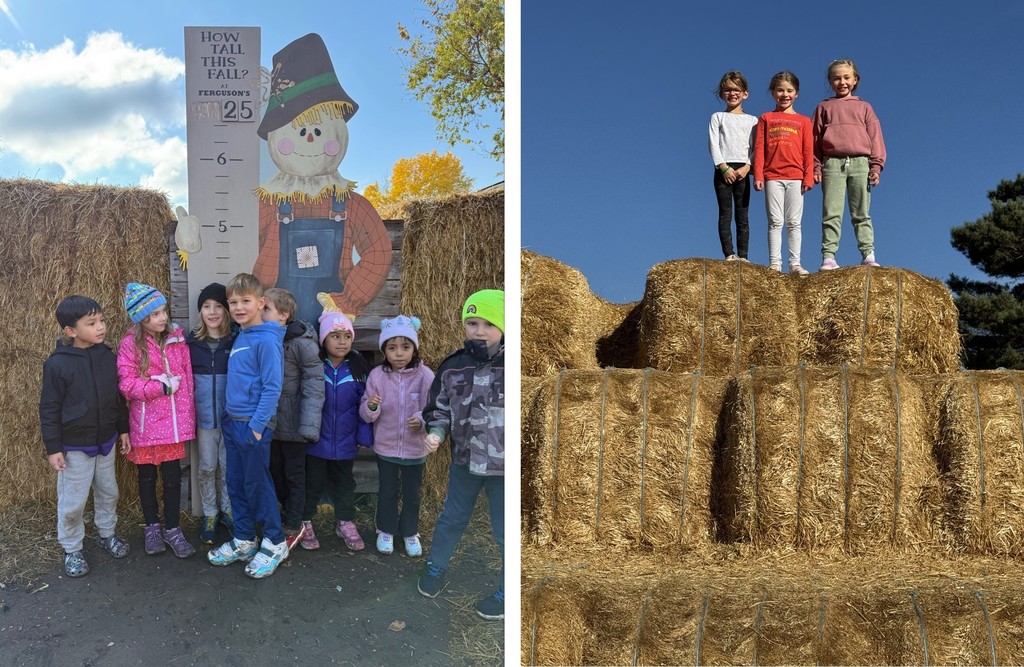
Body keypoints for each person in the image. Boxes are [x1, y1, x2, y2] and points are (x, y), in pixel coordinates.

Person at [417, 289, 505, 621]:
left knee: (503, 531)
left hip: (504, 469)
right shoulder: (453, 367)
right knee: (451, 518)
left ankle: (506, 592)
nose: (479, 331)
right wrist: (436, 433)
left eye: (488, 323)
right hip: (464, 463)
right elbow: (438, 409)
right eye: (472, 322)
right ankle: (435, 568)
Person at [40, 295, 132, 577]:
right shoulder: (57, 364)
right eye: (92, 323)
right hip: (74, 447)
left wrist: (123, 429)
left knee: (109, 491)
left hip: (105, 442)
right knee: (74, 501)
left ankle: (107, 533)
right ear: (71, 331)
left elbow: (116, 398)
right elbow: (49, 407)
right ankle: (72, 548)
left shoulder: (107, 356)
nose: (101, 327)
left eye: (102, 321)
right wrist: (53, 447)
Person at [207, 273, 288, 579]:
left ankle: (275, 541)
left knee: (257, 484)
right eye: (233, 302)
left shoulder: (266, 340)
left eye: (245, 301)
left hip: (252, 427)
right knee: (236, 482)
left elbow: (271, 387)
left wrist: (257, 426)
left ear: (260, 302)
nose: (238, 307)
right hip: (233, 423)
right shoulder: (242, 335)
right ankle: (244, 538)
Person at [117, 283, 196, 558]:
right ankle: (152, 527)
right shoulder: (130, 345)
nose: (162, 318)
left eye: (163, 311)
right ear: (141, 319)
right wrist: (158, 387)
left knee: (173, 478)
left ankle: (173, 528)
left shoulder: (178, 340)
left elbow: (187, 382)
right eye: (154, 315)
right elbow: (126, 384)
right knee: (147, 477)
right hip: (145, 425)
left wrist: (187, 420)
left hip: (173, 426)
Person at [299, 299, 373, 551]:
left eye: (346, 336)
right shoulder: (315, 367)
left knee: (344, 484)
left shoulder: (358, 369)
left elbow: (364, 405)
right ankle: (305, 521)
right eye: (335, 336)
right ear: (323, 340)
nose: (342, 341)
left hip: (345, 442)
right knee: (312, 483)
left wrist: (364, 436)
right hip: (316, 441)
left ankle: (345, 521)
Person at [359, 315, 435, 557]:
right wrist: (371, 406)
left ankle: (410, 532)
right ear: (384, 350)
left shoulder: (425, 377)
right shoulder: (377, 377)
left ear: (414, 348)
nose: (399, 353)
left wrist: (422, 420)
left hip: (415, 450)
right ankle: (386, 530)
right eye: (392, 348)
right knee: (388, 491)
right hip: (387, 447)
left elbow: (435, 410)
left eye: (405, 347)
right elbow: (366, 413)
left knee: (412, 494)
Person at [262, 287, 324, 550]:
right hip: (271, 424)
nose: (260, 312)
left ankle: (296, 521)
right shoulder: (263, 339)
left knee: (295, 474)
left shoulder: (302, 343)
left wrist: (308, 424)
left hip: (296, 424)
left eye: (266, 308)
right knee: (274, 469)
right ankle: (285, 512)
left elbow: (314, 383)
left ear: (283, 315)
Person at [813, 59, 887, 270]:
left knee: (861, 212)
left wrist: (876, 166)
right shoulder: (823, 107)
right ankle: (828, 256)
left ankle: (868, 253)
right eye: (836, 78)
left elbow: (876, 138)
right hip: (832, 163)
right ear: (830, 81)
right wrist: (816, 167)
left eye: (846, 77)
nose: (842, 82)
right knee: (831, 212)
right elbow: (815, 140)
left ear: (855, 80)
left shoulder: (864, 107)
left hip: (860, 163)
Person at [186, 283, 237, 545]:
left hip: (230, 420)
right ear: (200, 311)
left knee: (228, 468)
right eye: (207, 306)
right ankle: (209, 513)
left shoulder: (236, 339)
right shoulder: (191, 342)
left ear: (227, 311)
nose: (212, 311)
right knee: (207, 468)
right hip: (204, 420)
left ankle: (227, 510)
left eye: (218, 306)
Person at [753, 71, 814, 275]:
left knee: (794, 222)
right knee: (775, 221)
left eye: (789, 90)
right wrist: (759, 174)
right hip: (773, 176)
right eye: (780, 90)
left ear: (796, 93)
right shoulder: (766, 118)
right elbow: (759, 148)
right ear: (773, 93)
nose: (784, 94)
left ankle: (795, 264)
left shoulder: (804, 121)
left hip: (796, 176)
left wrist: (808, 176)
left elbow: (808, 150)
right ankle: (775, 264)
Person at [708, 71, 758, 262]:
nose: (732, 94)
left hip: (743, 170)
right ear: (722, 93)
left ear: (745, 93)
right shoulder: (717, 117)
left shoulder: (753, 120)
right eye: (727, 90)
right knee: (725, 213)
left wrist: (747, 167)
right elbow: (713, 144)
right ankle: (729, 254)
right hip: (723, 169)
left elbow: (756, 147)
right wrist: (723, 167)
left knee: (742, 214)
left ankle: (744, 257)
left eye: (736, 90)